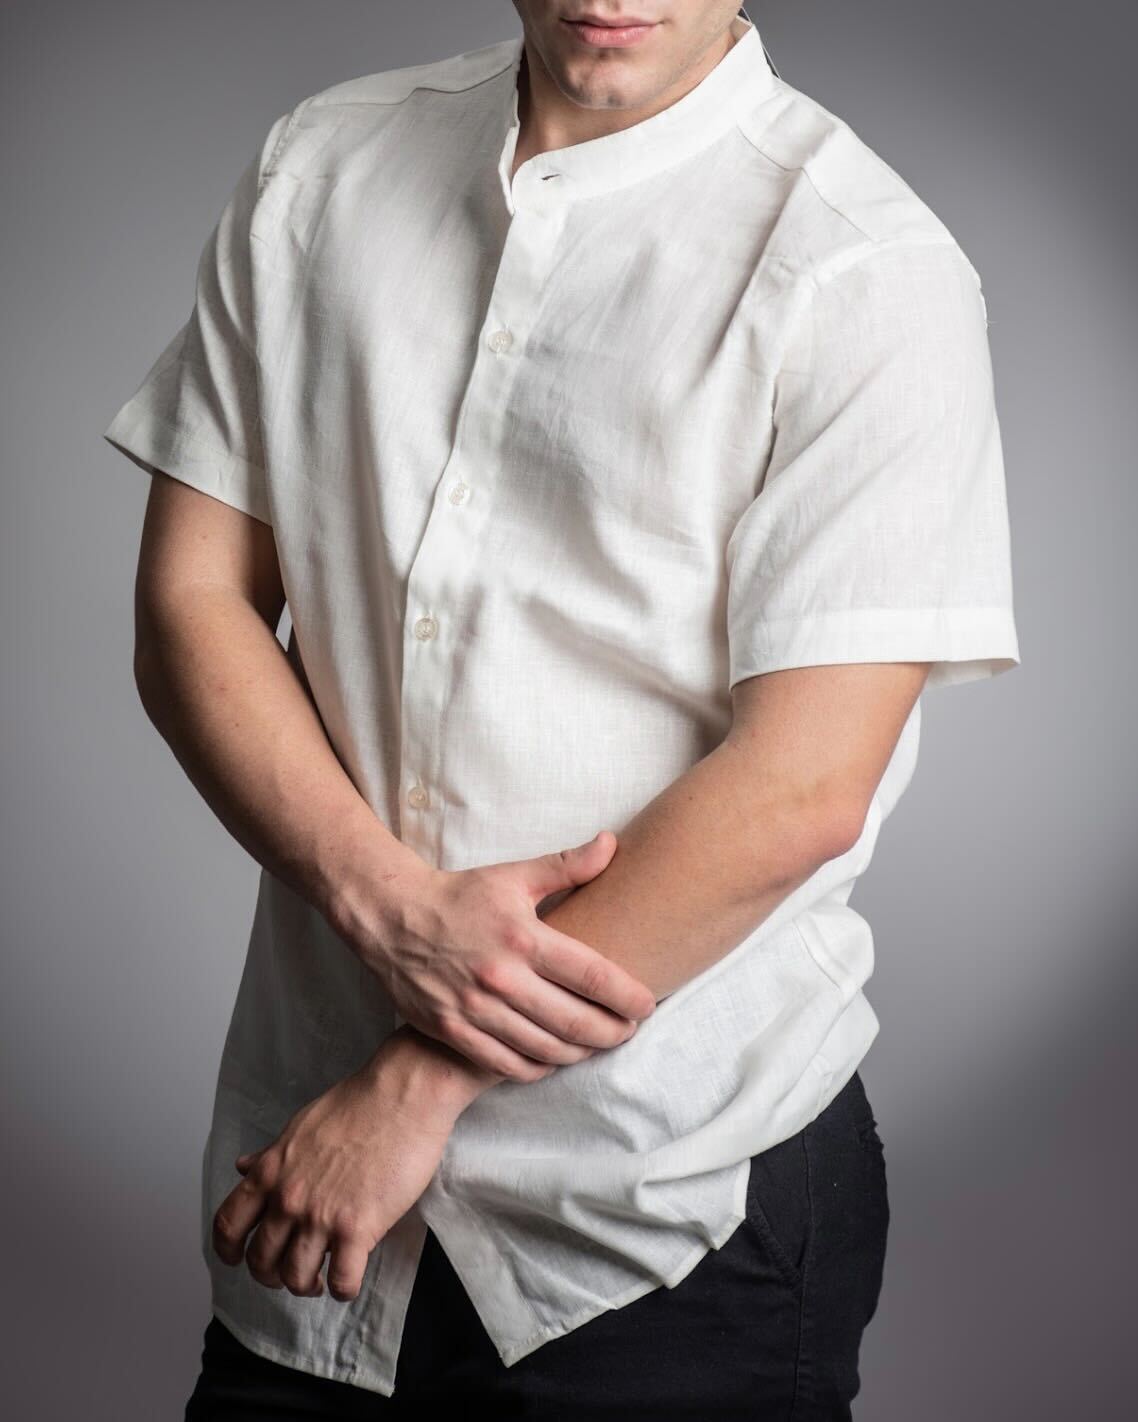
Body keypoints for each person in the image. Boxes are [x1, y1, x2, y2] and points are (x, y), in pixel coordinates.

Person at [102, 2, 1020, 1417]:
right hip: (308, 1196)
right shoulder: (321, 167)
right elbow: (193, 602)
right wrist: (384, 907)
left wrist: (416, 1082)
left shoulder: (866, 269)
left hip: (666, 1209)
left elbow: (801, 786)